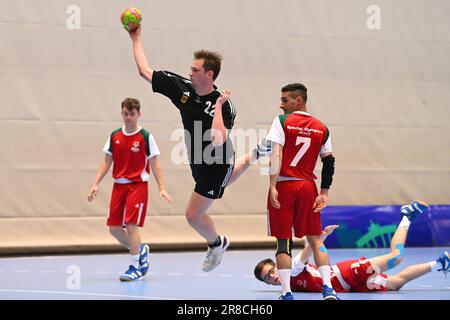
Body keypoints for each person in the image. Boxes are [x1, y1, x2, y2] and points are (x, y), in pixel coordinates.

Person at [126, 26, 271, 272]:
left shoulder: (226, 106)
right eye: (191, 69)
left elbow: (217, 139)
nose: (190, 73)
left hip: (216, 161)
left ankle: (217, 243)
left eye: (195, 70)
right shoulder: (182, 88)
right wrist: (135, 37)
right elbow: (144, 71)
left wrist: (217, 105)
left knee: (193, 215)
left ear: (209, 74)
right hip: (197, 159)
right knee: (227, 180)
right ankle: (257, 152)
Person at [255, 201, 450, 295]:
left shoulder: (291, 269)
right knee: (396, 283)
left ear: (277, 265)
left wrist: (321, 236)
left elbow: (309, 251)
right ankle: (441, 262)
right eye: (267, 277)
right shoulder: (286, 288)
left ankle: (407, 216)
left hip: (347, 274)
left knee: (396, 257)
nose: (272, 276)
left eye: (271, 270)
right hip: (348, 287)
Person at [265, 83, 337, 300]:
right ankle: (328, 289)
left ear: (299, 100)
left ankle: (286, 292)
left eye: (284, 100)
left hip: (285, 185)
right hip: (308, 187)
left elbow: (276, 154)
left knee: (283, 240)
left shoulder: (282, 121)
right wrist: (324, 192)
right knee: (316, 240)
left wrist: (272, 185)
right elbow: (329, 161)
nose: (280, 105)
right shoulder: (322, 128)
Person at [87, 98, 172, 281]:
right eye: (126, 113)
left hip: (137, 186)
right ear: (122, 114)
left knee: (131, 225)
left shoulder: (145, 137)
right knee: (114, 229)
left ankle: (135, 267)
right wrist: (95, 183)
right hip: (119, 186)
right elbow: (106, 161)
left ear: (138, 115)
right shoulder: (115, 136)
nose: (129, 117)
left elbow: (155, 164)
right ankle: (140, 249)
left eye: (132, 114)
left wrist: (162, 188)